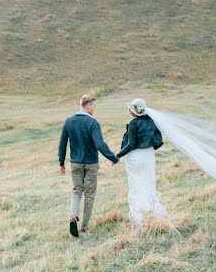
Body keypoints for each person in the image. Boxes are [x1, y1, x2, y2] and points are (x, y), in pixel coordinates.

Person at [58, 94, 119, 237]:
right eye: (93, 106)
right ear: (88, 106)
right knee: (89, 194)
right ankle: (84, 228)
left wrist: (61, 162)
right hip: (91, 163)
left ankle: (73, 216)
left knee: (76, 190)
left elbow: (62, 144)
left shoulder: (69, 121)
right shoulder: (93, 123)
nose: (94, 109)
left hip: (75, 163)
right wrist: (112, 158)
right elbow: (99, 144)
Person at [116, 98, 167, 225]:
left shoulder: (134, 123)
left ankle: (138, 216)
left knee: (136, 184)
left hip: (136, 156)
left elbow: (130, 145)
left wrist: (117, 155)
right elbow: (158, 139)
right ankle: (152, 211)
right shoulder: (152, 121)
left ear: (134, 111)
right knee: (149, 182)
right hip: (149, 155)